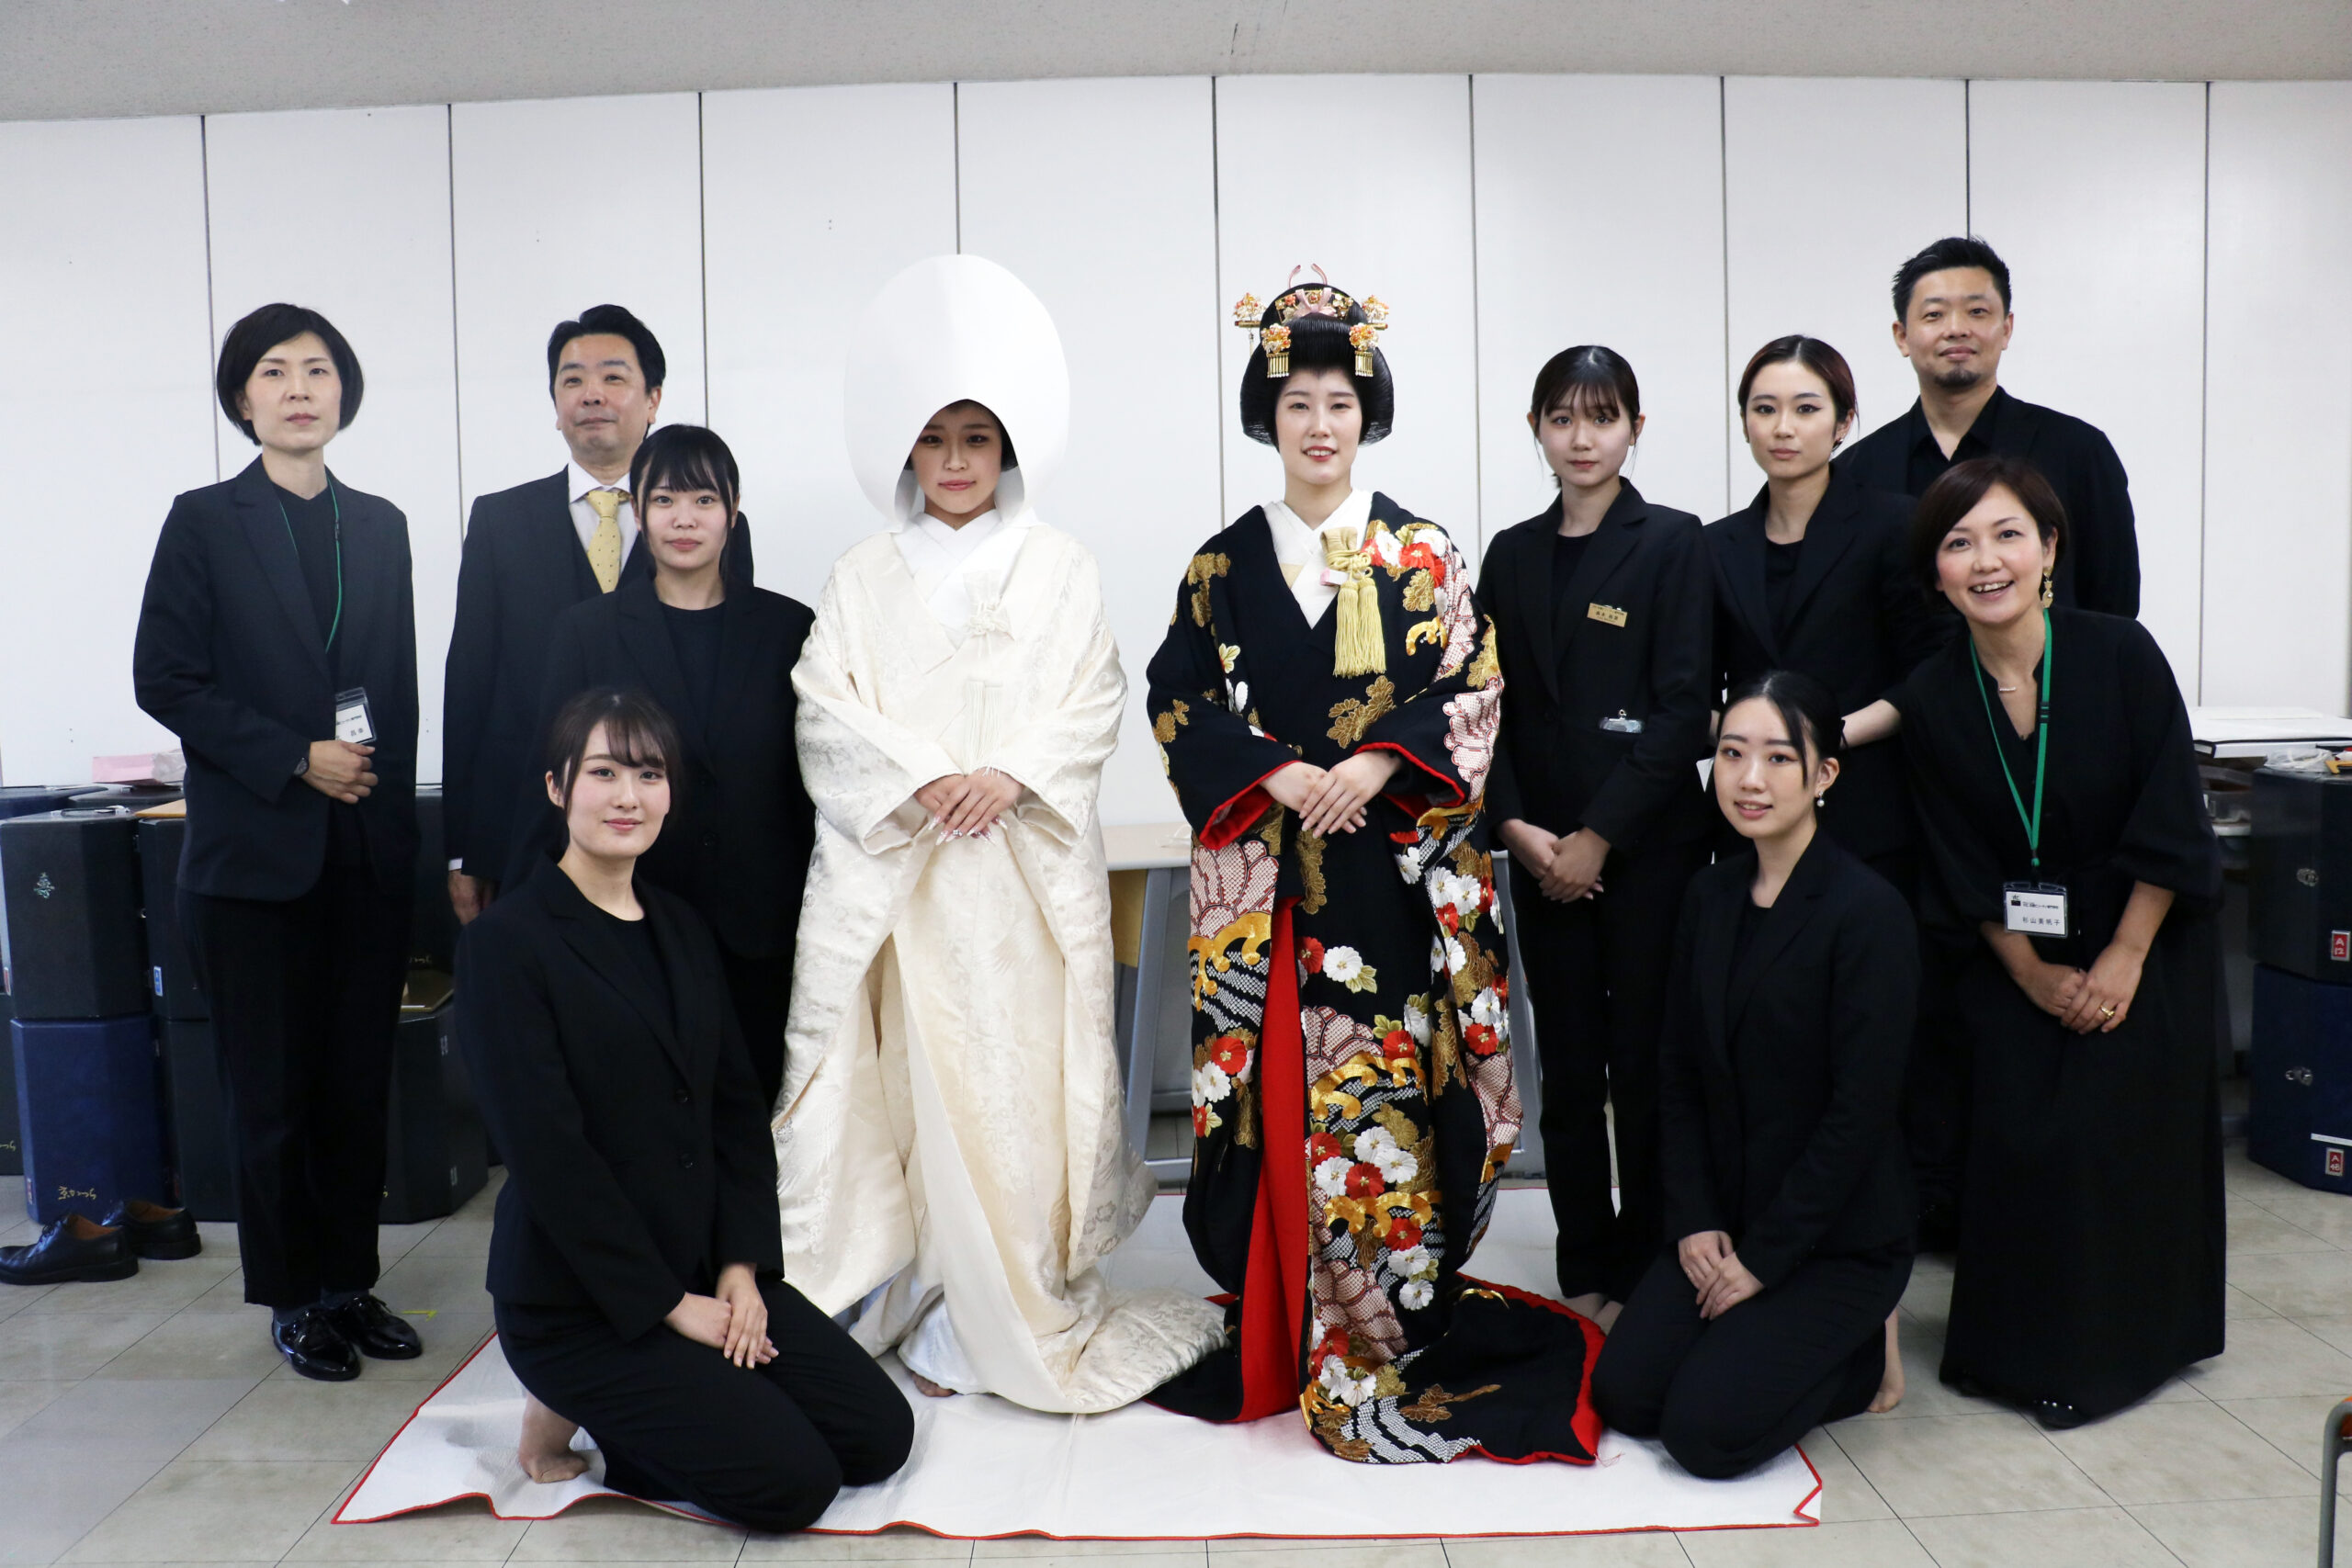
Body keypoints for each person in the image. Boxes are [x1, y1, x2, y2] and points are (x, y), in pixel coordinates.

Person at [1144, 272, 1601, 1465]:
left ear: (1367, 413)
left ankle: (1387, 1321)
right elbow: (1177, 697)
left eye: (1339, 402)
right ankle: (1286, 1316)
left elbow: (1475, 687)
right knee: (1281, 1099)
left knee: (1381, 1104)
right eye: (1296, 402)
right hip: (1272, 888)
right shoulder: (1220, 566)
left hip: (1390, 890)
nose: (1318, 424)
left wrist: (1381, 763)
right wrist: (1278, 774)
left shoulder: (1423, 553)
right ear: (1268, 415)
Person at [775, 254, 1223, 1413]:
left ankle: (1014, 1302)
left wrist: (1008, 775)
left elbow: (1094, 691)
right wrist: (926, 778)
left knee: (1015, 1092)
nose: (957, 460)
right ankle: (922, 1300)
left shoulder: (1060, 565)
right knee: (914, 1091)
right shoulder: (862, 574)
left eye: (977, 438)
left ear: (1007, 449)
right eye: (935, 440)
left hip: (1018, 880)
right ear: (907, 453)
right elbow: (825, 704)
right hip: (908, 884)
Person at [458, 688, 910, 1530]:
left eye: (649, 773)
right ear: (557, 787)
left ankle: (675, 1389)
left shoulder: (681, 926)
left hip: (705, 1268)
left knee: (878, 1436)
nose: (628, 795)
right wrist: (670, 1305)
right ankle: (573, 1400)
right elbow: (550, 1158)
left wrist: (739, 1269)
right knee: (793, 1484)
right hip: (583, 1301)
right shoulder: (506, 943)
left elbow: (734, 1113)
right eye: (603, 772)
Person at [1892, 454, 2223, 1427]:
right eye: (1959, 543)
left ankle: (2123, 1353)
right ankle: (2005, 1352)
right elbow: (1954, 858)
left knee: (2106, 1133)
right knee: (2017, 1136)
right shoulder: (1932, 694)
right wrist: (2032, 975)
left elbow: (2172, 817)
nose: (1985, 560)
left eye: (2007, 535)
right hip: (2016, 955)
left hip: (2144, 938)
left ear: (2048, 549)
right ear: (1937, 572)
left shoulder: (2120, 654)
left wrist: (2121, 958)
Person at [132, 303, 422, 1380]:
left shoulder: (379, 523)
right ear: (242, 398)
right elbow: (165, 679)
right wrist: (294, 756)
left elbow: (395, 691)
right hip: (253, 861)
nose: (300, 389)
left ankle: (350, 1283)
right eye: (274, 371)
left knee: (355, 1087)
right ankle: (293, 1297)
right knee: (271, 1095)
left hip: (363, 851)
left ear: (344, 392)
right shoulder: (205, 521)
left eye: (318, 370)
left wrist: (391, 825)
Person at [1592, 671, 1915, 1479]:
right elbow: (1677, 1074)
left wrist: (1763, 1260)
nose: (1749, 779)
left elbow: (1859, 1115)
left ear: (1825, 773)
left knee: (1705, 1434)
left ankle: (1861, 1352)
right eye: (1732, 754)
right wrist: (1695, 1220)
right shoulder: (1709, 894)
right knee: (1626, 1395)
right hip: (1726, 1217)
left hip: (1832, 1239)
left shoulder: (1867, 912)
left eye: (1777, 757)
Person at [1479, 345, 1713, 1327]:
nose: (1583, 438)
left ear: (1635, 429)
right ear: (1537, 428)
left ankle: (1655, 1259)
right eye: (1563, 418)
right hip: (1541, 854)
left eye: (1603, 417)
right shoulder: (1510, 554)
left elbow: (1683, 709)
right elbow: (1484, 708)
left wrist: (1598, 837)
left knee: (1649, 1065)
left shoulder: (1673, 542)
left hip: (1649, 853)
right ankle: (1584, 1261)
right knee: (1570, 1071)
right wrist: (1519, 828)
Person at [518, 425, 814, 1104]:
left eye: (704, 500)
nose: (684, 518)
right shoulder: (586, 631)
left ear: (733, 512)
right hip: (631, 918)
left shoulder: (790, 630)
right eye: (665, 499)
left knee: (757, 1114)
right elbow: (550, 783)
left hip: (763, 927)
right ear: (639, 512)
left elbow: (810, 789)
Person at [441, 305, 755, 925]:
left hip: (673, 836)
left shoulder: (712, 527)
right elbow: (470, 689)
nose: (591, 394)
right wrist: (463, 850)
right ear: (555, 404)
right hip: (530, 836)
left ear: (653, 399)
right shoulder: (500, 521)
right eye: (573, 380)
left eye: (613, 377)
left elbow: (728, 689)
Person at [1708, 336, 1946, 886]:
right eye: (1764, 409)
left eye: (1806, 409)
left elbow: (1931, 669)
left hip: (1866, 802)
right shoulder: (1714, 545)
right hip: (1750, 813)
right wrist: (1751, 747)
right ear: (1744, 423)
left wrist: (1826, 738)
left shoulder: (1895, 524)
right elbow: (1689, 685)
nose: (1783, 428)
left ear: (1843, 422)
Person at [1840, 236, 2138, 616]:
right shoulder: (1856, 471)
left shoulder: (2079, 451)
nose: (1956, 329)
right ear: (1902, 336)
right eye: (1934, 315)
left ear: (2007, 328)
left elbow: (2114, 607)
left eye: (1977, 312)